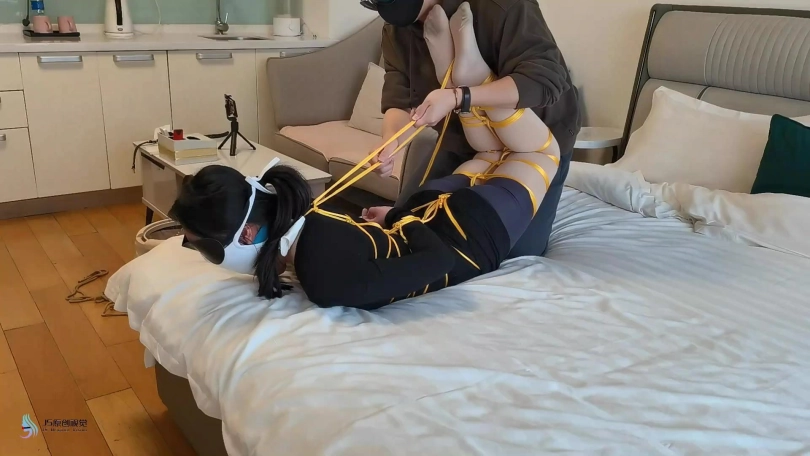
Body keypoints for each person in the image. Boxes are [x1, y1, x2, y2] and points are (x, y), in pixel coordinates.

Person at [170, 100, 561, 309]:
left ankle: (472, 88)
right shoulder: (309, 216)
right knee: (495, 152)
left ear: (248, 233)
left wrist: (396, 216)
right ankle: (469, 82)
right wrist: (394, 218)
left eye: (200, 245)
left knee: (542, 154)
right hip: (432, 214)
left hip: (467, 237)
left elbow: (440, 261)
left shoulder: (325, 281)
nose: (195, 250)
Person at [364, 0, 580, 258]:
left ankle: (469, 74)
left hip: (535, 135)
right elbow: (401, 98)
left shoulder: (502, 6)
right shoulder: (397, 27)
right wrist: (391, 142)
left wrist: (461, 95)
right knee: (406, 222)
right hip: (464, 136)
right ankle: (464, 73)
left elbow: (545, 80)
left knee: (506, 252)